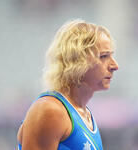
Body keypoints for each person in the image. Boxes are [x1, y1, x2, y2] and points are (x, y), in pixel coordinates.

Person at [17, 19, 119, 150]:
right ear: (78, 61)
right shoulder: (50, 110)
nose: (115, 66)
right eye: (104, 56)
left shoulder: (86, 116)